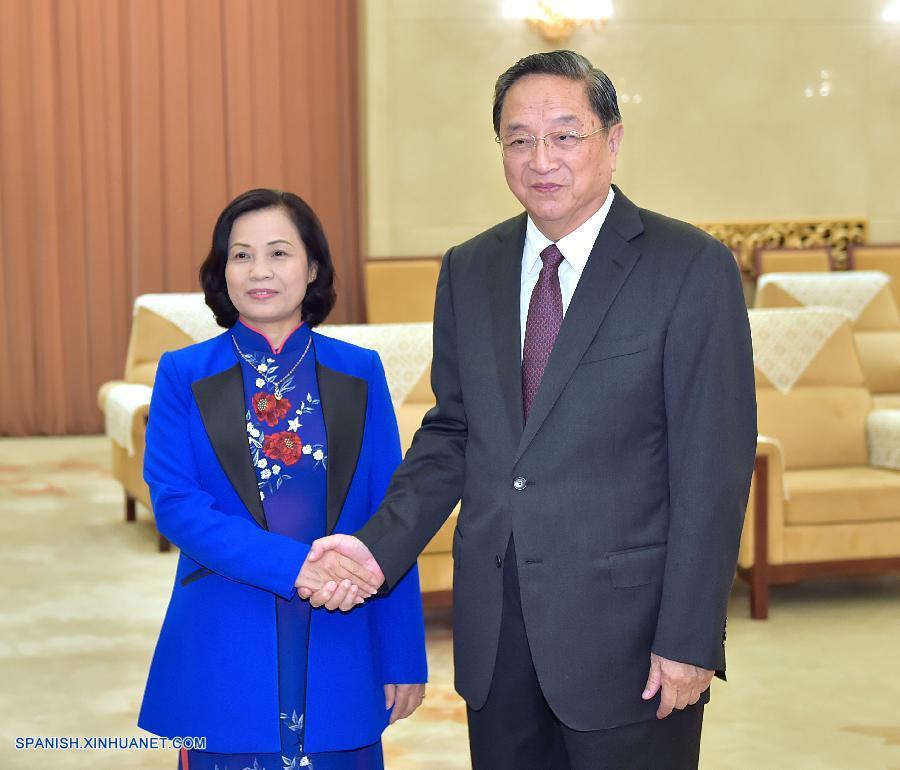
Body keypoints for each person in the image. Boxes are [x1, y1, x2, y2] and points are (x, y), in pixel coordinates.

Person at [302, 51, 757, 769]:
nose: (541, 159)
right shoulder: (470, 267)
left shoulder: (688, 266)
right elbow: (454, 433)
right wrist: (375, 545)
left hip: (631, 641)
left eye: (564, 135)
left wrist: (691, 636)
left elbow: (714, 467)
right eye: (518, 139)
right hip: (497, 637)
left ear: (613, 140)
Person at [138, 188, 427, 770]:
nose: (259, 271)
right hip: (226, 633)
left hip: (343, 633)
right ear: (223, 272)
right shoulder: (183, 374)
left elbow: (390, 512)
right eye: (241, 255)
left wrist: (402, 655)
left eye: (278, 253)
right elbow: (177, 505)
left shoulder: (358, 373)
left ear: (312, 266)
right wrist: (295, 568)